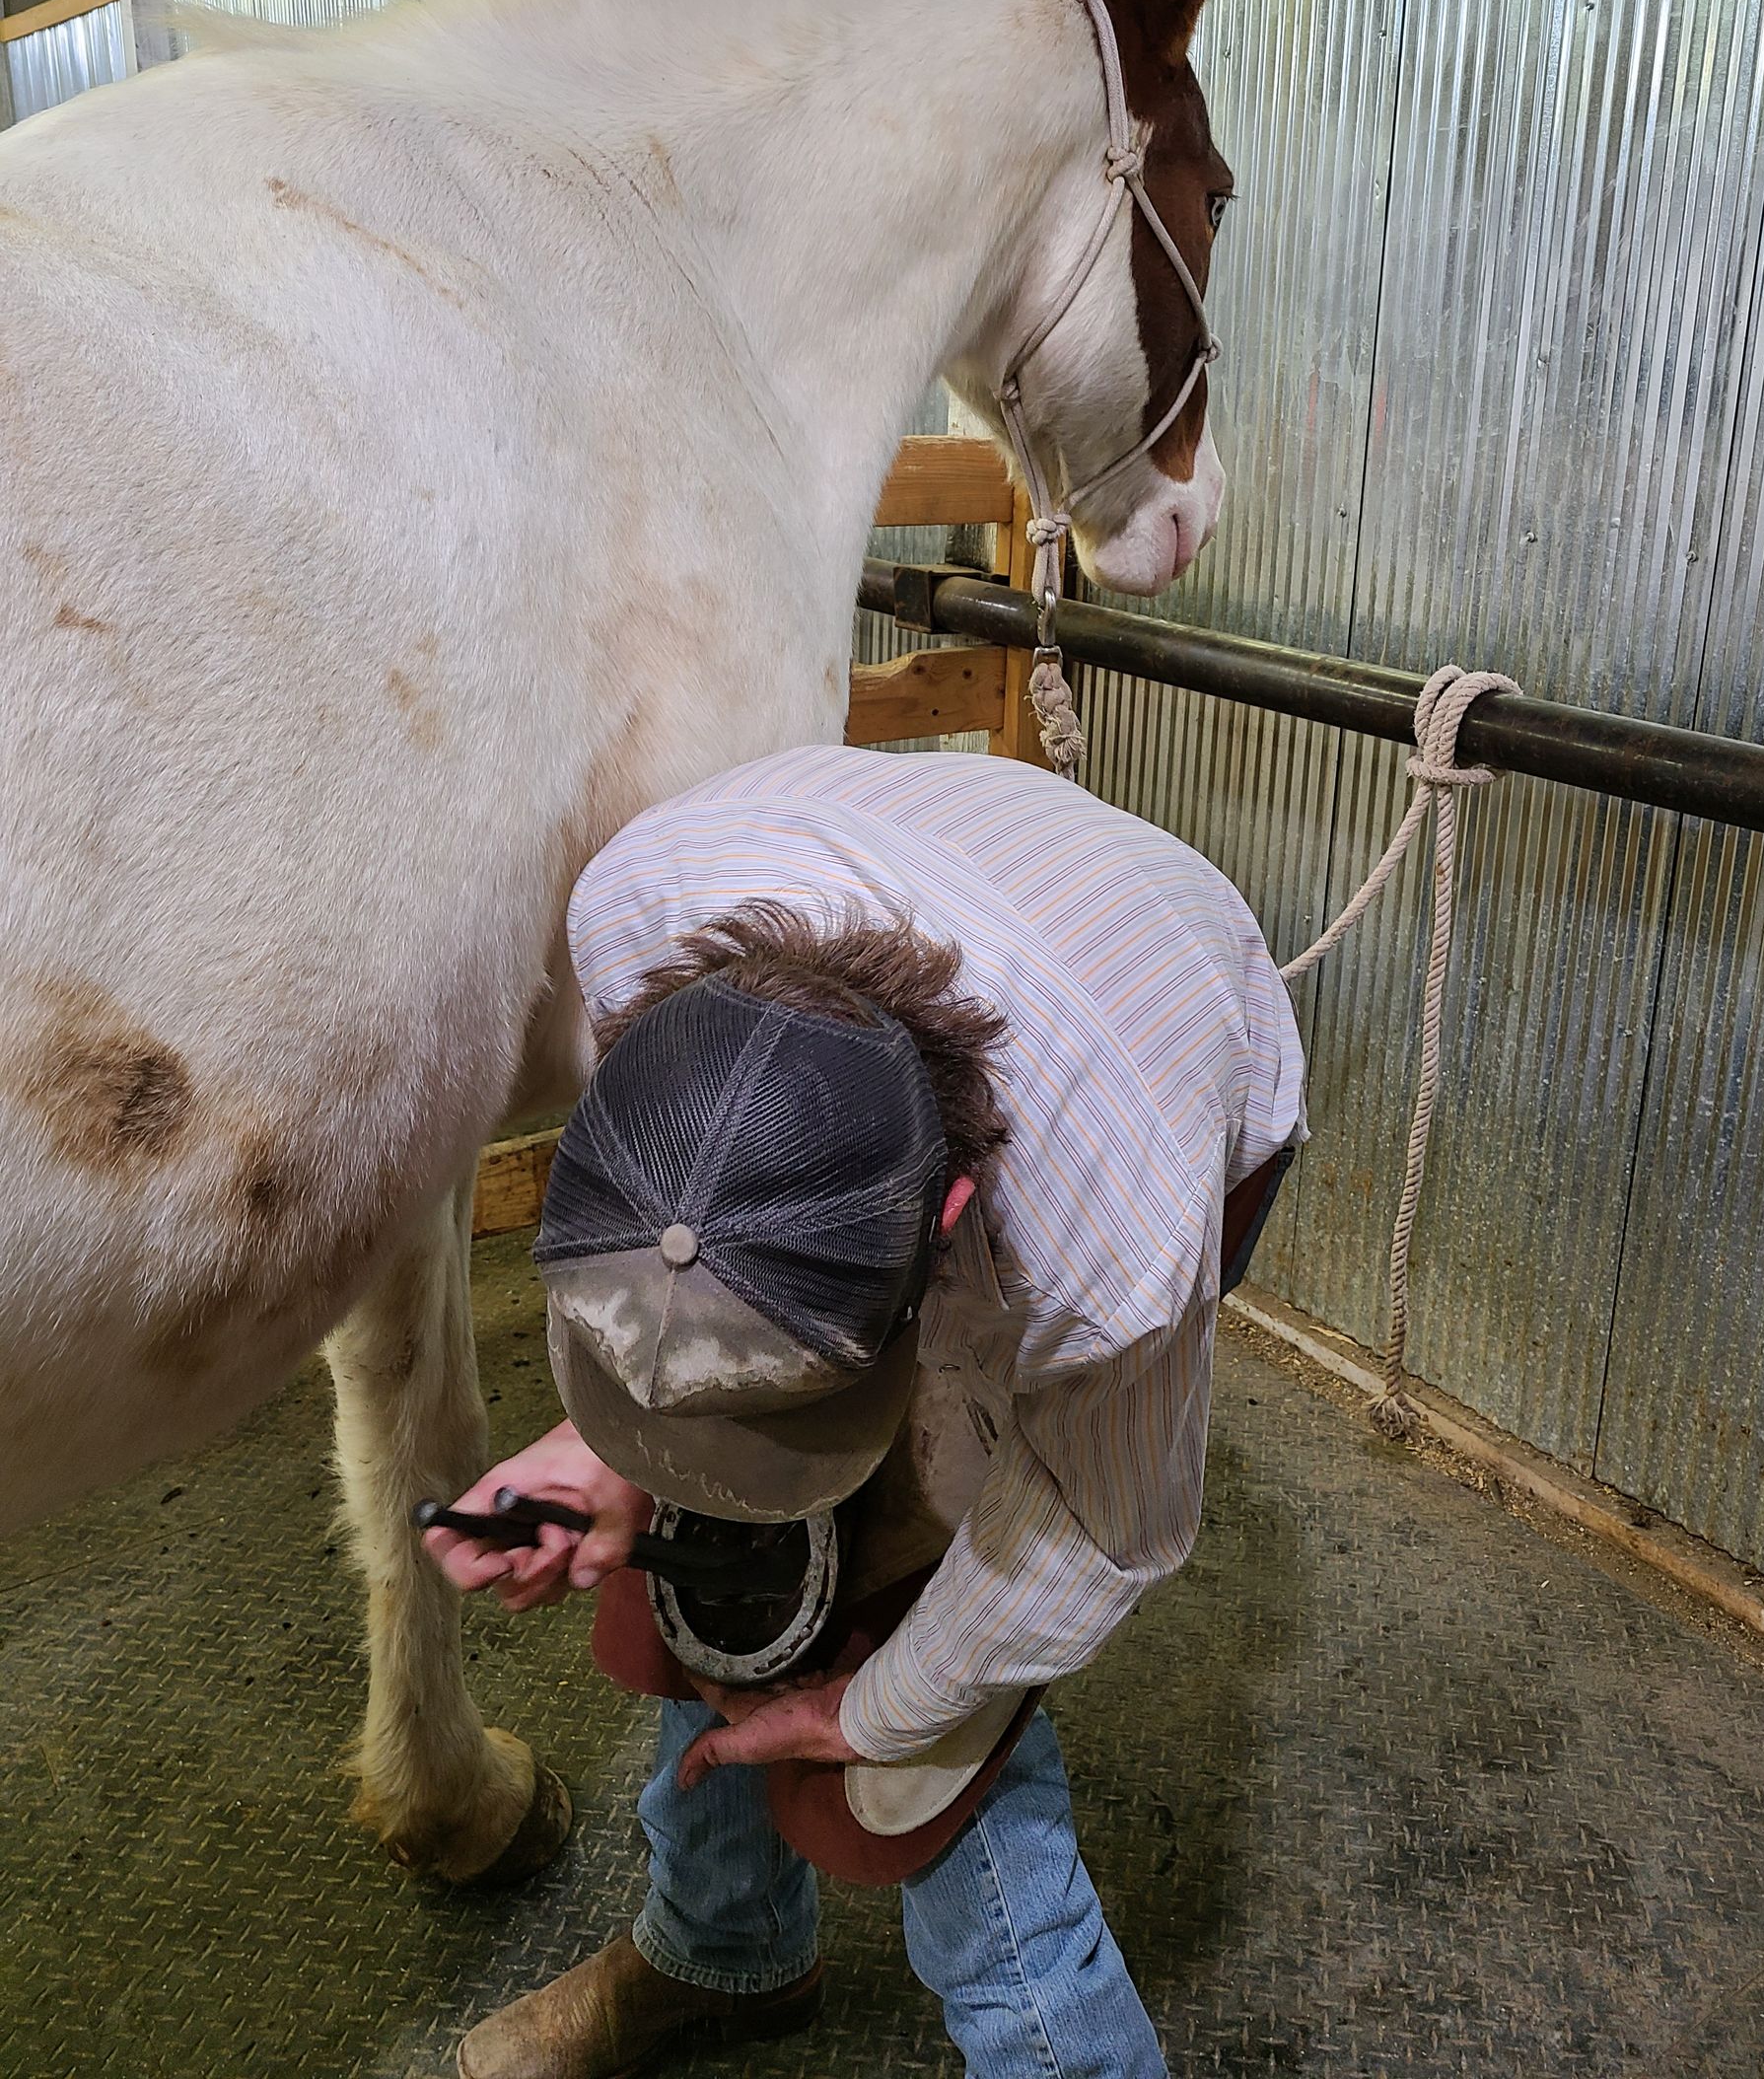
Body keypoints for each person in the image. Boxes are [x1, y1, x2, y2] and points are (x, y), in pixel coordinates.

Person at [428, 743, 1305, 2079]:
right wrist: (607, 1451)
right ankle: (723, 1954)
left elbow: (1089, 1530)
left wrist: (875, 1709)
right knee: (746, 1579)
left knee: (927, 1682)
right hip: (918, 902)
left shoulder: (1109, 1249)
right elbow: (689, 1246)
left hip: (1157, 1023)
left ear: (943, 1235)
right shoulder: (630, 918)